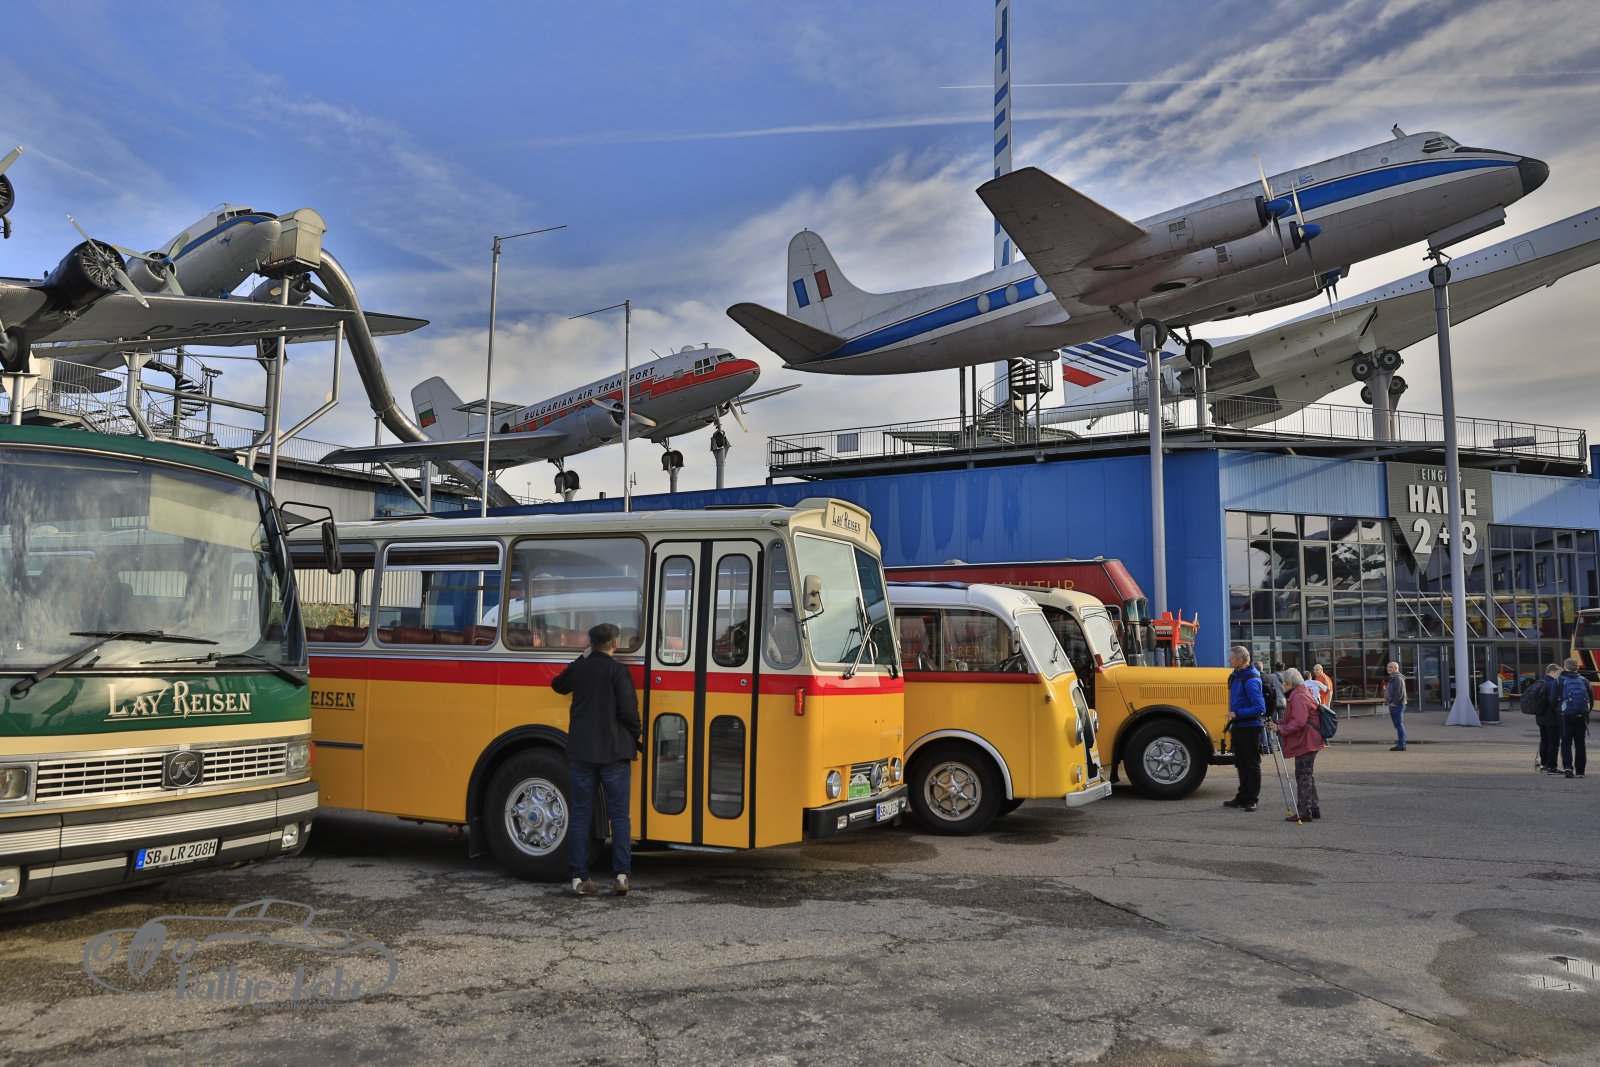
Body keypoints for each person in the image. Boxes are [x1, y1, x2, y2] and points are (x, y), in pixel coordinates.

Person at [552, 622, 643, 897]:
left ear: (591, 645)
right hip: (615, 752)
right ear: (615, 643)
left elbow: (558, 685)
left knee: (580, 815)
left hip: (582, 753)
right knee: (620, 817)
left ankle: (579, 879)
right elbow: (629, 711)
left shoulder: (580, 669)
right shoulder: (618, 671)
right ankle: (621, 876)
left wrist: (582, 657)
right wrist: (636, 736)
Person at [1271, 667, 1325, 821]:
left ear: (1290, 683)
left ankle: (1304, 812)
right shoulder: (1301, 693)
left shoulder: (1298, 697)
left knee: (1303, 776)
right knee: (1307, 775)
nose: (1283, 685)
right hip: (1310, 739)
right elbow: (1294, 718)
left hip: (1307, 740)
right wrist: (1277, 723)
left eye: (1284, 683)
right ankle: (1313, 808)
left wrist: (1280, 729)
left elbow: (1299, 722)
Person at [1224, 645, 1267, 811]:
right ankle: (1242, 796)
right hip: (1239, 725)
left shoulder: (1251, 680)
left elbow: (1260, 707)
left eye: (1232, 658)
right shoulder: (1237, 675)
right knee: (1241, 763)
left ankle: (1252, 799)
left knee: (1251, 764)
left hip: (1250, 727)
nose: (1229, 660)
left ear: (1240, 660)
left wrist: (1237, 713)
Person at [1544, 657, 1592, 779]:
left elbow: (1552, 699)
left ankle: (1568, 768)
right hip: (1581, 716)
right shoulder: (1585, 681)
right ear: (1577, 667)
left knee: (1566, 742)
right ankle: (1580, 771)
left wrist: (1560, 710)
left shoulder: (1559, 681)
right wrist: (1584, 712)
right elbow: (1590, 701)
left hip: (1565, 716)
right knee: (1580, 743)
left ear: (1565, 667)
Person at [1526, 663, 1562, 773]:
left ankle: (1544, 764)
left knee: (1544, 740)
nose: (1558, 676)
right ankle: (1552, 766)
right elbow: (1554, 701)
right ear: (1553, 672)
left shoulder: (1539, 683)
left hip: (1540, 717)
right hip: (1552, 718)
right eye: (1558, 673)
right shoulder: (1552, 684)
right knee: (1553, 742)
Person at [1385, 661, 1408, 751]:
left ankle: (1401, 745)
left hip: (1397, 705)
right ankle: (1401, 744)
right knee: (1398, 725)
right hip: (1395, 705)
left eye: (1391, 667)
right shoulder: (1394, 678)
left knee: (1399, 725)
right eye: (1388, 667)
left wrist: (1394, 703)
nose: (1388, 668)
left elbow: (1399, 693)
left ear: (1396, 668)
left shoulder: (1397, 678)